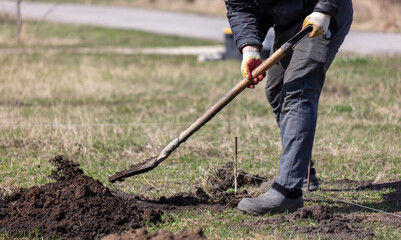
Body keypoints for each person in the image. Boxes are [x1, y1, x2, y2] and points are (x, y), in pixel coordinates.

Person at [224, 0, 353, 215]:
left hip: (320, 16)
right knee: (275, 90)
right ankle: (301, 173)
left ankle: (288, 192)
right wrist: (250, 50)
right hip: (288, 23)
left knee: (298, 91)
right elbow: (240, 7)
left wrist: (324, 9)